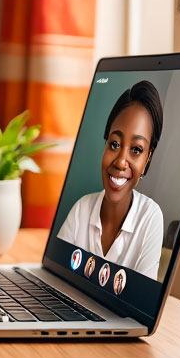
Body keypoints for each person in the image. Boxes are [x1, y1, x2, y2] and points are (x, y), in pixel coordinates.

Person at [56, 80, 166, 279]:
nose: (121, 162)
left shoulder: (150, 218)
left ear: (148, 157)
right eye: (114, 144)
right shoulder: (81, 209)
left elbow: (139, 304)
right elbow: (55, 277)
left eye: (136, 150)